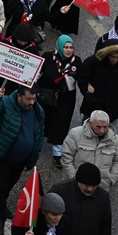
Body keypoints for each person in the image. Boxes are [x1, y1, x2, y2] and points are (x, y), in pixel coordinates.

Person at [0, 84, 44, 235]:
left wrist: (36, 150)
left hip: (21, 160)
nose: (32, 102)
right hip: (2, 156)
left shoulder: (38, 110)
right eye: (28, 99)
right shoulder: (5, 103)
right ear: (19, 96)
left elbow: (39, 131)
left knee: (7, 186)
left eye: (34, 99)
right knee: (1, 186)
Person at [39, 35, 82, 164]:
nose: (68, 50)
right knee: (42, 119)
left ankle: (58, 152)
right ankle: (35, 143)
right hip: (46, 96)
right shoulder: (47, 57)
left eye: (71, 47)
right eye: (65, 47)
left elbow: (83, 78)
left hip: (65, 99)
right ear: (59, 47)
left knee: (61, 123)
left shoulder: (76, 61)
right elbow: (36, 73)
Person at [60, 110, 118, 189]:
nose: (102, 130)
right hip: (79, 185)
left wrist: (112, 179)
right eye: (98, 127)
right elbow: (66, 156)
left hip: (103, 186)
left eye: (105, 127)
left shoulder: (114, 138)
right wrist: (74, 178)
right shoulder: (75, 134)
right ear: (90, 123)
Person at [78, 41, 118, 122]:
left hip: (112, 107)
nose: (115, 60)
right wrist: (92, 99)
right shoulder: (92, 62)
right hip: (92, 107)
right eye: (112, 57)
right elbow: (82, 79)